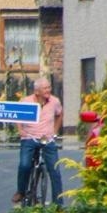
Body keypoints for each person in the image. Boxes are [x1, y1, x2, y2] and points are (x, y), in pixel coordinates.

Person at [13, 77, 64, 205]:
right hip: (29, 137)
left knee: (55, 170)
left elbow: (59, 114)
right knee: (24, 165)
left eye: (49, 87)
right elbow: (17, 116)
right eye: (45, 88)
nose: (48, 90)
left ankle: (58, 204)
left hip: (47, 139)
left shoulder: (54, 101)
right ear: (37, 91)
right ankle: (21, 191)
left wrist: (55, 131)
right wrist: (21, 131)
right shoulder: (26, 102)